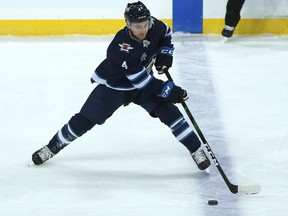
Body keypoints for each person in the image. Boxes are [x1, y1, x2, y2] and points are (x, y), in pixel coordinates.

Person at [31, 1, 211, 171]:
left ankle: (196, 149)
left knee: (171, 114)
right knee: (84, 120)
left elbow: (166, 33)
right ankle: (51, 147)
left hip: (144, 86)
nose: (143, 30)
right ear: (128, 24)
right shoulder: (120, 47)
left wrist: (165, 55)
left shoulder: (154, 26)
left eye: (145, 24)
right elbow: (142, 82)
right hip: (115, 88)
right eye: (137, 26)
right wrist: (169, 90)